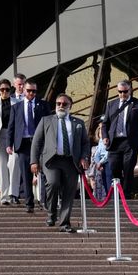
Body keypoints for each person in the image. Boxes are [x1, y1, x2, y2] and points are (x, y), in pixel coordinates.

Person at [30, 93, 90, 232]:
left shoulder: (78, 123)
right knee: (53, 183)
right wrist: (34, 161)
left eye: (64, 104)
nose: (61, 106)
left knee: (69, 191)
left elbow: (85, 143)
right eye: (58, 104)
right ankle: (51, 214)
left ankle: (64, 223)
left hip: (71, 161)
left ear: (70, 106)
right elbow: (36, 142)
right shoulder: (46, 120)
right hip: (51, 160)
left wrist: (84, 157)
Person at [100, 79, 138, 196]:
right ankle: (118, 195)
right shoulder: (111, 104)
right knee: (114, 168)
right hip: (114, 143)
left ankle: (127, 195)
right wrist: (104, 136)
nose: (122, 94)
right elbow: (105, 124)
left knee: (128, 169)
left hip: (131, 142)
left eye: (125, 91)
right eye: (120, 92)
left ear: (130, 90)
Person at [6, 80, 50, 213]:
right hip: (23, 143)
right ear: (23, 91)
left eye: (34, 91)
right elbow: (11, 127)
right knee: (26, 174)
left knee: (44, 173)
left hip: (40, 143)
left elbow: (49, 125)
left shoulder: (43, 105)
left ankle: (45, 201)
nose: (31, 93)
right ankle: (29, 202)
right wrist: (9, 144)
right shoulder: (16, 107)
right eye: (29, 90)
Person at [6, 74, 28, 203]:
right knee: (13, 165)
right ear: (14, 84)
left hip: (29, 137)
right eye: (19, 84)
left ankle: (28, 193)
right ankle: (13, 194)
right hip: (15, 138)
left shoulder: (31, 98)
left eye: (23, 84)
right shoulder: (9, 99)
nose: (21, 86)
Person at [91, 121, 111, 201]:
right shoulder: (99, 143)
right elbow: (97, 154)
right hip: (99, 167)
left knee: (108, 183)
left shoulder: (108, 142)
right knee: (102, 185)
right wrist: (98, 162)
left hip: (106, 163)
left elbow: (108, 153)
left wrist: (100, 162)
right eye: (100, 132)